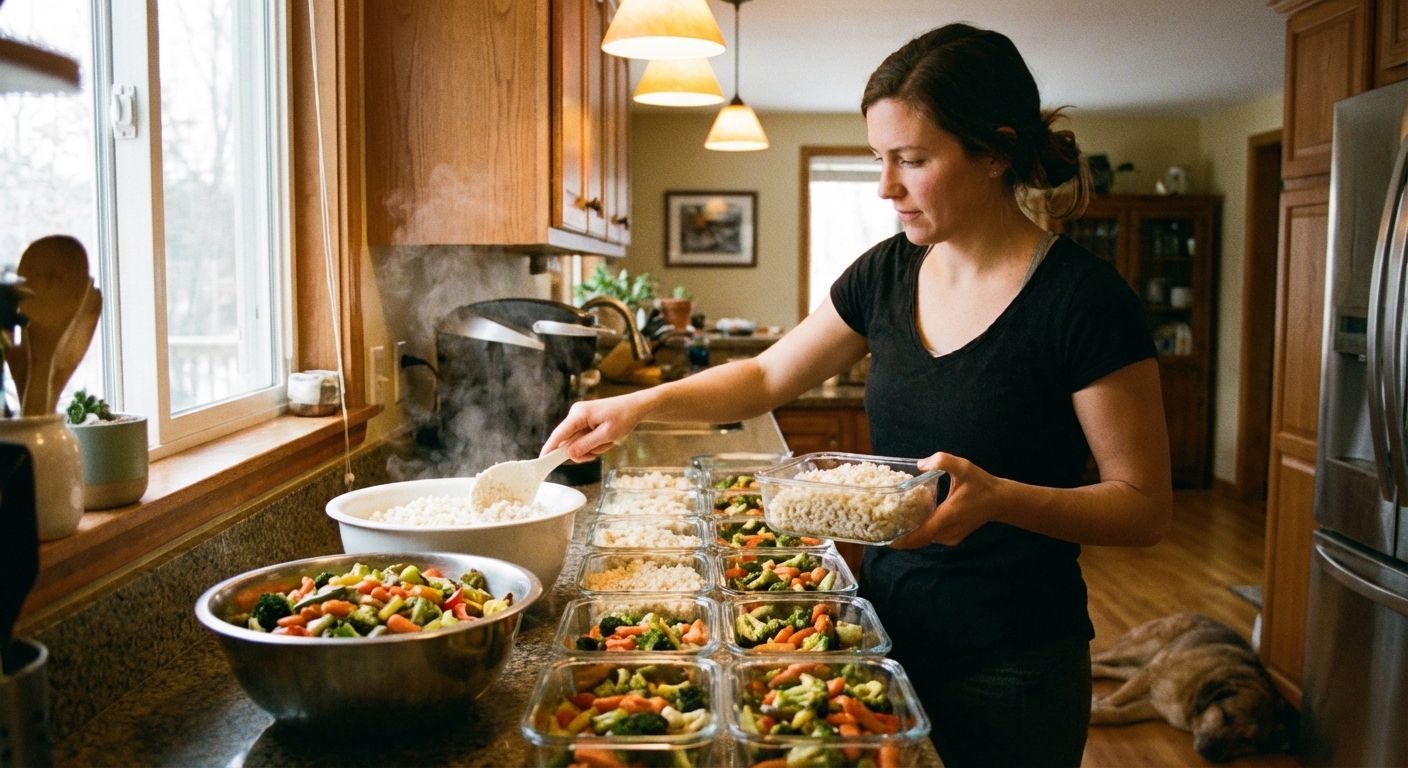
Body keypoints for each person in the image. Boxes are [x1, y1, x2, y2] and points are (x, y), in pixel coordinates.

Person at [544, 23, 1171, 768]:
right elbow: (766, 376)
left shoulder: (1083, 300)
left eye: (913, 160)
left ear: (995, 152)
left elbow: (1143, 505)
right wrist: (635, 405)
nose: (886, 187)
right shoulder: (885, 274)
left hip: (1013, 664)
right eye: (880, 159)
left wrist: (999, 497)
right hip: (881, 634)